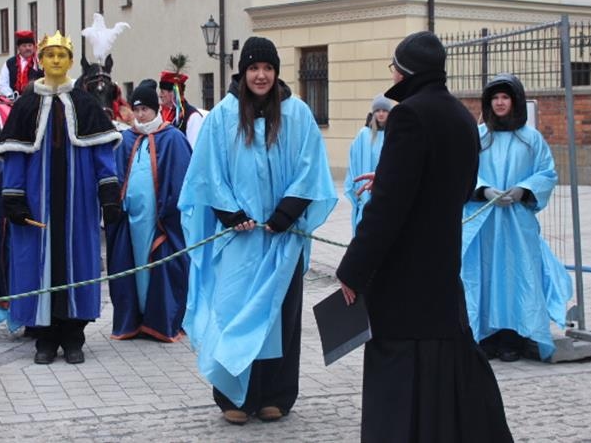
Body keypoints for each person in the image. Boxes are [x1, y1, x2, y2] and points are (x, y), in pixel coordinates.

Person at [335, 32, 513, 442]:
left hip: (403, 278)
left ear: (406, 72)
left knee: (398, 379)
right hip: (442, 268)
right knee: (440, 370)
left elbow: (387, 210)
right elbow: (460, 186)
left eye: (394, 68)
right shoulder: (462, 117)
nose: (392, 75)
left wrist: (352, 270)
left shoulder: (409, 115)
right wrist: (390, 177)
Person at [179, 36, 337, 425]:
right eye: (253, 68)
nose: (261, 75)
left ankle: (276, 394)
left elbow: (310, 167)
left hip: (284, 238)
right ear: (243, 72)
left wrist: (287, 212)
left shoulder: (297, 113)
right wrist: (231, 213)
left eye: (267, 68)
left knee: (281, 316)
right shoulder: (223, 116)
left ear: (276, 72)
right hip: (240, 240)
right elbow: (207, 172)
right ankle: (234, 394)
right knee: (233, 312)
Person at [0, 30, 122, 364]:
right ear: (41, 60)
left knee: (79, 264)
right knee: (35, 266)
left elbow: (102, 153)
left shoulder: (85, 102)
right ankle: (45, 339)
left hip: (78, 204)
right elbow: (15, 154)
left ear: (71, 61)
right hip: (37, 206)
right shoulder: (26, 104)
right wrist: (14, 197)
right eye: (50, 55)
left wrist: (109, 194)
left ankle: (74, 337)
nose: (56, 60)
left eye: (62, 55)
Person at [461, 74, 573, 363]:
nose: (500, 103)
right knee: (485, 276)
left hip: (516, 222)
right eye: (495, 98)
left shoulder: (531, 139)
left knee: (516, 276)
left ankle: (513, 337)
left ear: (515, 101)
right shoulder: (478, 137)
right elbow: (463, 170)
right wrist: (483, 189)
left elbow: (546, 172)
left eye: (505, 97)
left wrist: (524, 189)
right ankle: (486, 336)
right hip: (485, 223)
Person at [105, 80, 192, 342]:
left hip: (160, 222)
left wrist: (169, 210)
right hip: (130, 223)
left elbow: (182, 178)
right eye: (137, 109)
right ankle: (134, 319)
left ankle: (160, 320)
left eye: (145, 109)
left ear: (156, 110)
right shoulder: (125, 140)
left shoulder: (172, 138)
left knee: (162, 267)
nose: (141, 115)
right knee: (130, 268)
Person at [343, 94, 396, 234]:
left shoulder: (394, 134)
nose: (381, 114)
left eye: (384, 110)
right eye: (378, 110)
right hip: (366, 192)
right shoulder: (364, 134)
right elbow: (354, 160)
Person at [159, 71, 204, 147]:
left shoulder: (192, 116)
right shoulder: (164, 114)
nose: (159, 95)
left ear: (173, 93)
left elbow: (194, 148)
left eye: (162, 92)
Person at [0, 30, 43, 98]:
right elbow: (2, 83)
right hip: (13, 100)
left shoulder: (40, 63)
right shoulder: (10, 63)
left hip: (34, 100)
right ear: (18, 48)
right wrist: (11, 96)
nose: (27, 48)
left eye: (30, 45)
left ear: (34, 47)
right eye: (24, 46)